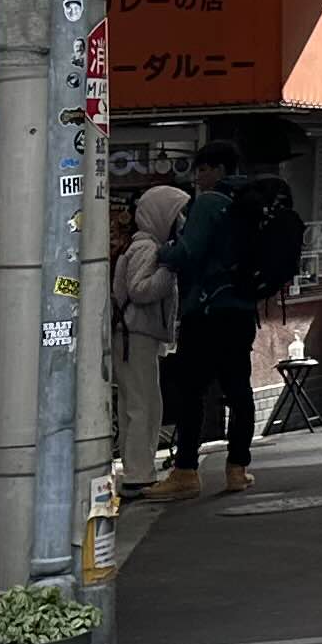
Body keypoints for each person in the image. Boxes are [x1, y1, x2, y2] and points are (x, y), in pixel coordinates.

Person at [159, 142, 302, 496]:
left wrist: (161, 252)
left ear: (220, 169)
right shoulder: (253, 203)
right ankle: (237, 469)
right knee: (238, 390)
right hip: (241, 311)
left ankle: (186, 472)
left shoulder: (209, 203)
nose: (198, 177)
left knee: (191, 392)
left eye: (203, 169)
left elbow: (188, 252)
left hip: (206, 311)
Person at [110, 181, 187, 494]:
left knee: (135, 403)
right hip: (136, 336)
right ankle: (139, 472)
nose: (181, 221)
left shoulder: (139, 245)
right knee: (144, 405)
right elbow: (141, 290)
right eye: (176, 214)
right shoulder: (147, 248)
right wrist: (169, 269)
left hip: (130, 335)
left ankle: (135, 469)